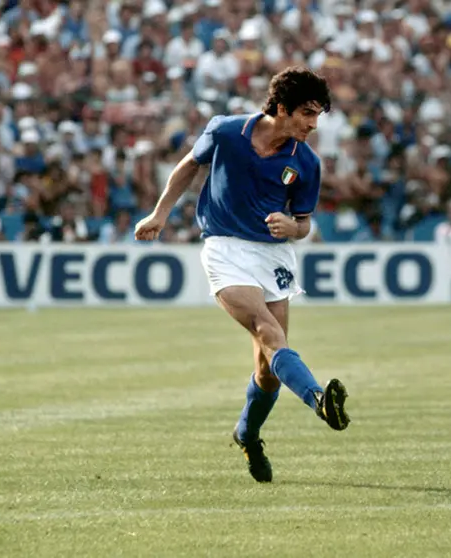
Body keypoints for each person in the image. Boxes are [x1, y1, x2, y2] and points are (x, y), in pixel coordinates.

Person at [134, 67, 350, 483]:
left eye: (318, 115)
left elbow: (303, 222)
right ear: (281, 107)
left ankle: (247, 434)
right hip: (224, 248)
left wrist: (294, 228)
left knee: (268, 368)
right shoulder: (227, 131)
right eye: (307, 112)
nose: (313, 123)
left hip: (274, 257)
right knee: (269, 331)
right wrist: (160, 214)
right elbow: (187, 166)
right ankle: (319, 400)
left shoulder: (305, 162)